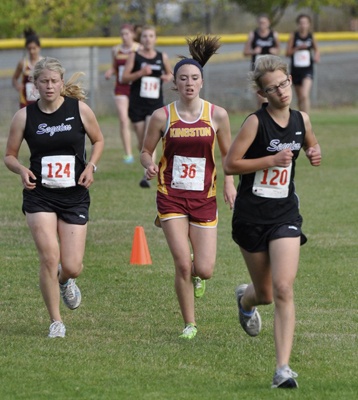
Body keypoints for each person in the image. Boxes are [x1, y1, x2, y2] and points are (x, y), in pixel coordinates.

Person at [224, 55, 321, 388]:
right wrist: (269, 160)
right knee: (263, 294)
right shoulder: (255, 123)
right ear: (263, 95)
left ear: (290, 80)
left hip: (285, 214)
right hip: (251, 216)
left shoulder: (302, 119)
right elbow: (230, 164)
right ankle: (245, 299)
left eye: (283, 84)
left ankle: (282, 369)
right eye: (272, 89)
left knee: (282, 288)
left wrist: (314, 152)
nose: (280, 92)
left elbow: (309, 143)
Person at [140, 35, 237, 340]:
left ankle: (199, 278)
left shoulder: (217, 115)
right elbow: (146, 150)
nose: (189, 83)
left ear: (202, 82)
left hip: (204, 197)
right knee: (183, 263)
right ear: (175, 82)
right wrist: (149, 164)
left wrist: (229, 184)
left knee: (203, 268)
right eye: (183, 78)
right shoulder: (162, 116)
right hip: (170, 195)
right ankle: (190, 323)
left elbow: (228, 155)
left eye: (194, 78)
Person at [4, 57, 104, 338]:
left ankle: (66, 280)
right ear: (34, 85)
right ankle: (55, 321)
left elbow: (99, 140)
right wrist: (21, 169)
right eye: (44, 81)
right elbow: (9, 156)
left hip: (74, 195)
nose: (49, 86)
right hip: (40, 195)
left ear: (62, 83)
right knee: (49, 257)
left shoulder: (79, 110)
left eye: (54, 81)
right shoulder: (24, 116)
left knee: (72, 265)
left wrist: (91, 166)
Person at [122, 24, 172, 188]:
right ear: (140, 39)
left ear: (155, 39)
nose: (148, 39)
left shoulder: (161, 56)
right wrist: (140, 73)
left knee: (149, 138)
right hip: (137, 104)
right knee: (141, 141)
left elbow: (171, 73)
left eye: (151, 36)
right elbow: (124, 78)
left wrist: (166, 77)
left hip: (155, 105)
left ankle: (147, 173)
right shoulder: (134, 56)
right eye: (144, 36)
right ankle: (146, 160)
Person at [105, 24, 141, 164]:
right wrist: (110, 71)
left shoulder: (139, 48)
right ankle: (128, 154)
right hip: (121, 88)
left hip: (136, 88)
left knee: (137, 122)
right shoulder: (116, 49)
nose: (124, 37)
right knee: (123, 119)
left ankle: (141, 146)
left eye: (126, 34)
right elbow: (115, 66)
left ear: (132, 34)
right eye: (122, 34)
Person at [286, 14, 320, 114]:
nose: (303, 25)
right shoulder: (293, 36)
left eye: (305, 23)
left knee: (305, 95)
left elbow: (317, 50)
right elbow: (287, 53)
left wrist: (317, 56)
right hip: (296, 69)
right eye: (301, 23)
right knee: (300, 97)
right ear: (298, 24)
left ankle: (306, 120)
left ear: (309, 24)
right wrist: (297, 48)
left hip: (307, 69)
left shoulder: (311, 36)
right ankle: (301, 117)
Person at [243, 14, 280, 107]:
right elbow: (245, 52)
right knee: (261, 97)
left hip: (270, 68)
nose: (262, 24)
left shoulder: (274, 34)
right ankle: (260, 117)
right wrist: (253, 51)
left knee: (270, 95)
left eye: (264, 22)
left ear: (269, 23)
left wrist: (275, 51)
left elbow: (278, 50)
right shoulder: (253, 34)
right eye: (260, 22)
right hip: (257, 69)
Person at [12, 28, 43, 109]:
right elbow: (14, 78)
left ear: (39, 47)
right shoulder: (23, 63)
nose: (32, 51)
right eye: (29, 49)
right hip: (26, 101)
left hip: (42, 100)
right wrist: (17, 86)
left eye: (34, 48)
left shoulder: (44, 63)